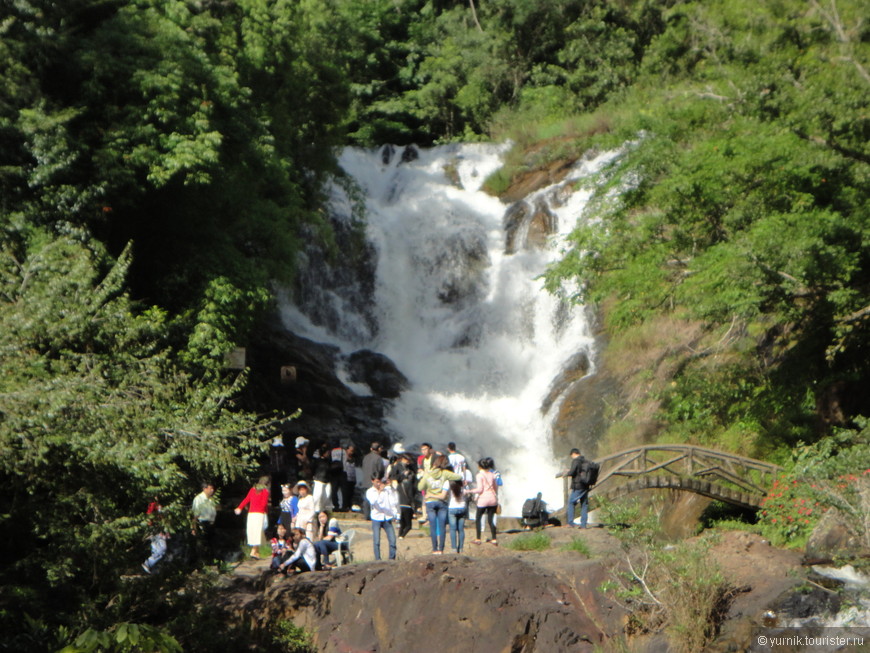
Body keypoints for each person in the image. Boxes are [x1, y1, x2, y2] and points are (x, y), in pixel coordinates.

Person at [418, 455, 461, 554]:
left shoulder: (428, 474)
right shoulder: (444, 473)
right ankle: (441, 549)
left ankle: (434, 549)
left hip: (430, 501)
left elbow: (420, 487)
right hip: (442, 502)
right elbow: (459, 477)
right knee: (442, 526)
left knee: (433, 526)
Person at [234, 475, 270, 559]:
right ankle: (253, 551)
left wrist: (240, 507)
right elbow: (264, 504)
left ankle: (256, 552)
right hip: (259, 514)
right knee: (258, 533)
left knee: (254, 532)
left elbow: (247, 499)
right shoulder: (265, 491)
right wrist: (265, 513)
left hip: (251, 514)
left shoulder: (252, 489)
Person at [366, 475, 399, 561]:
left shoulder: (387, 491)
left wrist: (394, 514)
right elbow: (373, 501)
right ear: (372, 481)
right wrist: (379, 491)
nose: (379, 484)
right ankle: (378, 559)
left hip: (387, 517)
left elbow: (392, 501)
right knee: (376, 540)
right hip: (376, 517)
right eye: (377, 482)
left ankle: (392, 559)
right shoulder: (370, 491)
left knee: (392, 540)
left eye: (380, 482)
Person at [559, 448, 590, 529]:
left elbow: (572, 472)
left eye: (571, 456)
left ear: (573, 454)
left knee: (571, 502)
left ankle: (570, 523)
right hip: (585, 485)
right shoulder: (585, 460)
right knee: (584, 504)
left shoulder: (576, 461)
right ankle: (583, 525)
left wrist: (567, 472)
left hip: (578, 486)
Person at [472, 457, 499, 545]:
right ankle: (494, 539)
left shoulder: (479, 475)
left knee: (478, 519)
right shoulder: (493, 474)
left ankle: (478, 539)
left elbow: (480, 489)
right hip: (493, 499)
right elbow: (495, 487)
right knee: (491, 520)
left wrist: (469, 491)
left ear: (480, 466)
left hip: (483, 500)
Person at [391, 453, 417, 538]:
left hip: (410, 490)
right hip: (401, 491)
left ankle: (401, 534)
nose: (408, 462)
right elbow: (393, 478)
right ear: (402, 459)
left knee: (407, 513)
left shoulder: (410, 467)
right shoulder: (397, 466)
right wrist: (403, 475)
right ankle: (401, 534)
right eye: (407, 460)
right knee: (403, 513)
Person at [191, 481, 217, 564]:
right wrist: (194, 527)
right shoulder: (199, 499)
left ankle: (210, 562)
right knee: (202, 545)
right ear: (204, 488)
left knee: (211, 544)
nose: (212, 490)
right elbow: (195, 514)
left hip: (211, 524)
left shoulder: (210, 499)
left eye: (213, 488)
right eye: (210, 488)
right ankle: (201, 563)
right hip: (202, 523)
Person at [361, 442, 386, 520]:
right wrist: (379, 479)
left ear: (371, 449)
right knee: (375, 499)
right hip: (374, 481)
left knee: (366, 499)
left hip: (365, 480)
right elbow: (381, 470)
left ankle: (366, 516)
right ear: (379, 449)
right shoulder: (378, 458)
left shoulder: (365, 457)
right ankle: (374, 516)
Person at [447, 476, 469, 554]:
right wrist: (465, 485)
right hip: (462, 509)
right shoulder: (463, 490)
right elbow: (467, 496)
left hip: (452, 509)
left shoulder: (450, 490)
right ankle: (461, 548)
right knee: (461, 529)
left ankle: (454, 548)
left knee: (453, 529)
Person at [311, 441, 334, 512]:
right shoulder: (317, 461)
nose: (328, 453)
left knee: (327, 496)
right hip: (319, 480)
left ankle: (324, 510)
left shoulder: (329, 461)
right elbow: (313, 469)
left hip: (327, 480)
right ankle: (316, 510)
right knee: (318, 496)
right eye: (327, 452)